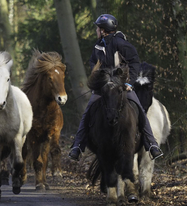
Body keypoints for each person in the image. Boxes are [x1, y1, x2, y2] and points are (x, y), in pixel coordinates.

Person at [68, 14, 164, 161]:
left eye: (98, 29)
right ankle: (78, 146)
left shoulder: (122, 44)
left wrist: (129, 83)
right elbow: (93, 62)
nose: (96, 31)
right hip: (103, 88)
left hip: (122, 87)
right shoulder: (98, 46)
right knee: (88, 112)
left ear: (103, 30)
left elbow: (134, 63)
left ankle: (152, 145)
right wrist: (98, 77)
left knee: (139, 109)